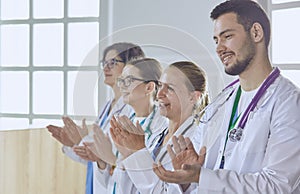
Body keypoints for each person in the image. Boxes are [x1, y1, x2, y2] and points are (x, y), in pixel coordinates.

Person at [153, 1, 300, 193]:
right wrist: (188, 180)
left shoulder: (288, 102)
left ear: (256, 33)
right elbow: (197, 181)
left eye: (227, 36)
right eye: (216, 40)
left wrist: (201, 176)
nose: (219, 48)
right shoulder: (221, 103)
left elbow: (277, 185)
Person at [47, 42, 145, 194]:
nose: (106, 68)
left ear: (130, 67)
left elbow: (117, 158)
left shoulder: (133, 110)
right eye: (104, 63)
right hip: (100, 183)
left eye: (113, 63)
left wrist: (92, 148)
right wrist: (74, 143)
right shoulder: (107, 106)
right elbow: (93, 157)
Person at [111, 61, 209, 193]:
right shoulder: (157, 136)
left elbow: (167, 191)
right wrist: (129, 155)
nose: (159, 94)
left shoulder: (197, 142)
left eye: (170, 88)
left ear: (193, 97)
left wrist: (138, 152)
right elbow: (133, 188)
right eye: (161, 86)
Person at [86, 58, 169, 194]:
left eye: (129, 81)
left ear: (149, 87)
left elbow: (150, 184)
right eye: (121, 80)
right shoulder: (123, 122)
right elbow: (110, 182)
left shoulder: (161, 129)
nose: (122, 86)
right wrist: (102, 161)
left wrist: (113, 161)